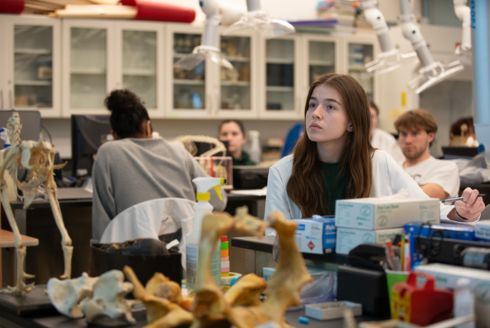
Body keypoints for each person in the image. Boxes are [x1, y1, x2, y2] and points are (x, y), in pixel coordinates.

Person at [265, 73, 484, 224]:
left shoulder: (378, 162)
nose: (316, 113)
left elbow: (425, 207)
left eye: (330, 106)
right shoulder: (282, 172)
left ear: (352, 121)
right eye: (312, 104)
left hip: (362, 277)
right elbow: (273, 242)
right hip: (305, 283)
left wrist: (461, 213)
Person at [92, 89, 226, 242]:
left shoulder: (107, 153)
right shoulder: (178, 151)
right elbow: (219, 201)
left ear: (114, 134)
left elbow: (102, 226)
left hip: (133, 257)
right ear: (148, 126)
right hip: (186, 256)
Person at [395, 109, 460, 199]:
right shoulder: (392, 167)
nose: (408, 140)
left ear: (430, 136)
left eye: (415, 133)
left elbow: (422, 197)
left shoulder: (446, 168)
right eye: (404, 134)